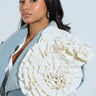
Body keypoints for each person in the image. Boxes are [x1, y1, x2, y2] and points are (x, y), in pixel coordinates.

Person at [0, 0, 93, 96]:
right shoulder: (12, 43)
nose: (25, 7)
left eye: (33, 1)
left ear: (50, 4)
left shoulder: (62, 46)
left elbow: (65, 90)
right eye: (22, 2)